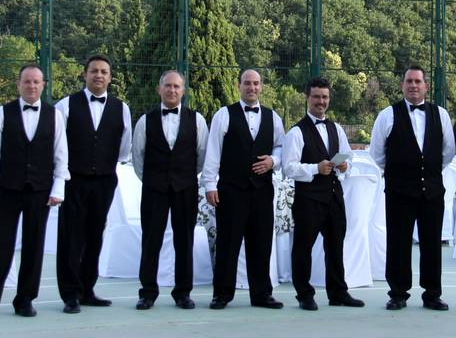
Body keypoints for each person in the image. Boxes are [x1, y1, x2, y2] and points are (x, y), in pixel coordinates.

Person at [0, 64, 69, 320]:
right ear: (18, 84)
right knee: (2, 248)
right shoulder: (3, 112)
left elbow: (61, 156)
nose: (31, 86)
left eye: (36, 82)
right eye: (27, 81)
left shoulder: (55, 115)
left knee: (34, 248)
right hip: (7, 190)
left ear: (43, 85)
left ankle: (25, 300)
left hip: (39, 192)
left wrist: (58, 189)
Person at [369, 65, 455, 311]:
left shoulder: (441, 114)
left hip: (432, 190)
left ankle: (432, 294)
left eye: (418, 81)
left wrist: (427, 169)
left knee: (431, 243)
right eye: (409, 81)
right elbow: (377, 154)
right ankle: (397, 293)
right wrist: (401, 172)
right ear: (402, 86)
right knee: (398, 243)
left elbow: (447, 152)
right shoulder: (387, 115)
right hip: (399, 191)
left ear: (426, 86)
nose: (413, 85)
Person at [203, 68, 285, 310]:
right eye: (247, 83)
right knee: (228, 243)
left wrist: (273, 161)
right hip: (231, 190)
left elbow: (282, 146)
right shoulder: (223, 115)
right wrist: (209, 184)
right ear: (239, 85)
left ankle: (261, 294)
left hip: (262, 191)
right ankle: (222, 294)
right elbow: (213, 152)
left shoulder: (274, 118)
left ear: (261, 86)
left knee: (261, 243)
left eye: (256, 83)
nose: (252, 88)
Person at [55, 55, 132, 313]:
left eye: (104, 71)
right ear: (84, 75)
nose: (99, 75)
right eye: (94, 71)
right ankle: (70, 294)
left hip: (104, 181)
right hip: (73, 180)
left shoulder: (122, 108)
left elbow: (124, 147)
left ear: (110, 77)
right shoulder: (65, 105)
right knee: (71, 237)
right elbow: (58, 145)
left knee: (95, 235)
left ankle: (88, 290)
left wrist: (105, 164)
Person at [283, 77, 364, 311]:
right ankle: (304, 294)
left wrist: (345, 167)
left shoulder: (337, 128)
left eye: (325, 97)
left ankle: (338, 292)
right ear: (307, 98)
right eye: (317, 97)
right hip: (308, 199)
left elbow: (348, 157)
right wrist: (314, 168)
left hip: (334, 197)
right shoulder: (296, 132)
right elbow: (288, 167)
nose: (321, 101)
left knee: (336, 246)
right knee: (303, 248)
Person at [132, 70, 208, 310]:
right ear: (159, 89)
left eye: (177, 87)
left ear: (183, 91)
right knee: (150, 241)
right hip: (154, 189)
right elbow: (138, 159)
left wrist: (183, 176)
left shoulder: (197, 120)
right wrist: (155, 179)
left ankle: (183, 292)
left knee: (184, 241)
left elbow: (202, 157)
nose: (172, 90)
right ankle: (148, 292)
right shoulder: (145, 120)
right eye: (168, 86)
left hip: (186, 188)